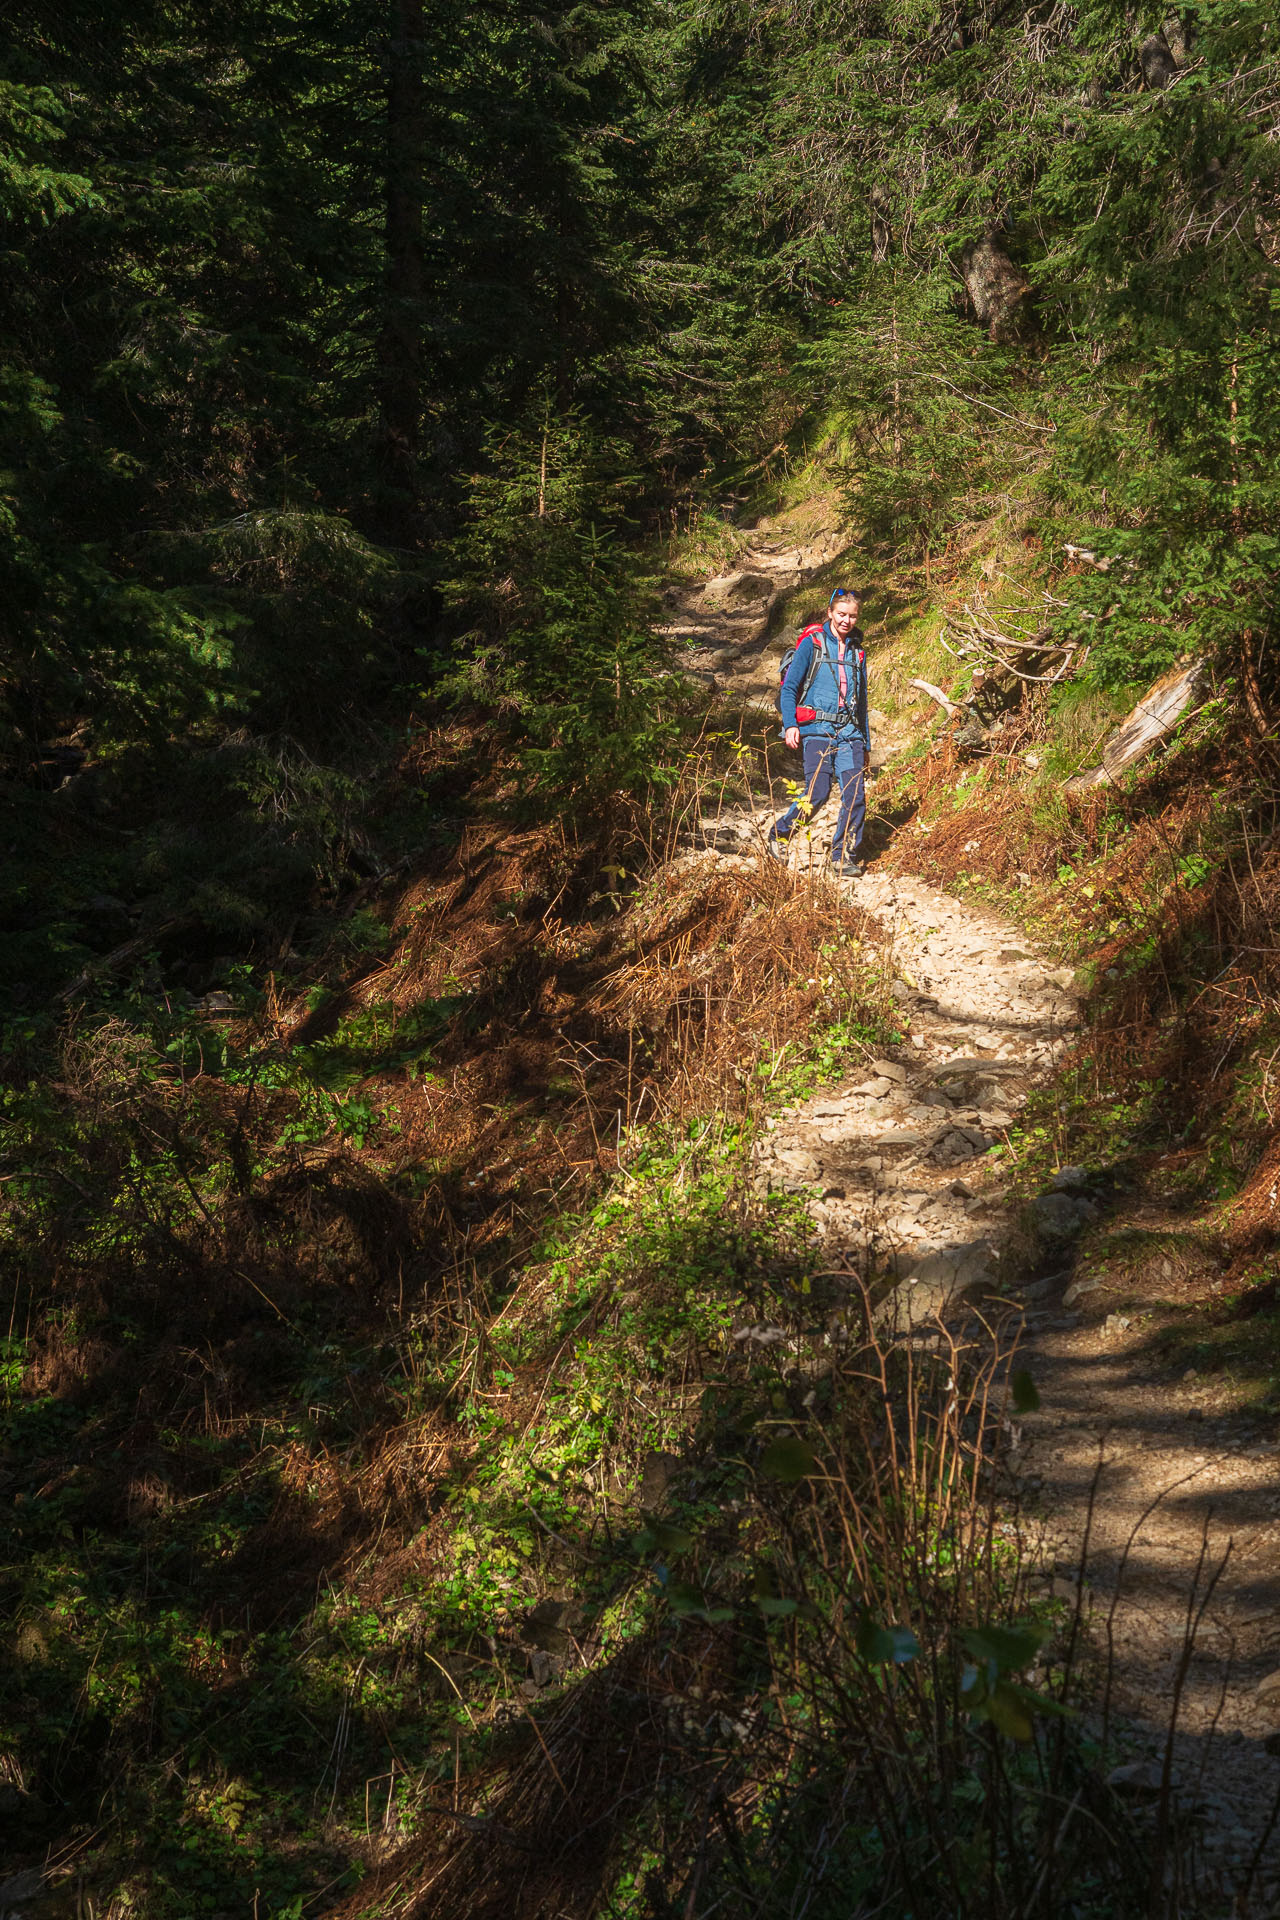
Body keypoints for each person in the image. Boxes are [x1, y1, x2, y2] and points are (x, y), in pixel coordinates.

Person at [770, 587, 870, 875]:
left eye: (852, 616)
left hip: (850, 734)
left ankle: (841, 857)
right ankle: (780, 834)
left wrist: (865, 745)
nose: (846, 621)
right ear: (830, 613)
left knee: (855, 796)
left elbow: (862, 702)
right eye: (841, 614)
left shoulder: (858, 652)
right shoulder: (811, 644)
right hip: (816, 730)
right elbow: (789, 688)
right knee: (818, 792)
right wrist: (790, 725)